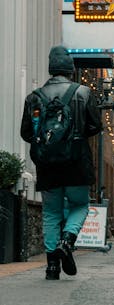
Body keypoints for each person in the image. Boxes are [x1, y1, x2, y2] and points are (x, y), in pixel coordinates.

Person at [20, 45, 102, 280]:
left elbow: (26, 133)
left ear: (50, 69)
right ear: (71, 70)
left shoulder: (34, 97)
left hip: (47, 164)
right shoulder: (84, 93)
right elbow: (96, 126)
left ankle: (52, 267)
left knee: (51, 212)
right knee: (80, 205)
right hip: (76, 162)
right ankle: (67, 241)